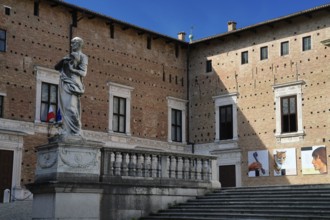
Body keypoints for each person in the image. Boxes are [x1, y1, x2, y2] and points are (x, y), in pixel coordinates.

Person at [54, 37, 88, 138]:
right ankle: (66, 129)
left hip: (74, 84)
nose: (71, 45)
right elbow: (56, 67)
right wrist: (63, 60)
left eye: (73, 43)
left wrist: (72, 69)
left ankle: (76, 131)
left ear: (79, 44)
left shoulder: (83, 57)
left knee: (71, 108)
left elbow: (83, 73)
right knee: (64, 107)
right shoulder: (68, 56)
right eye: (71, 43)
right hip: (64, 83)